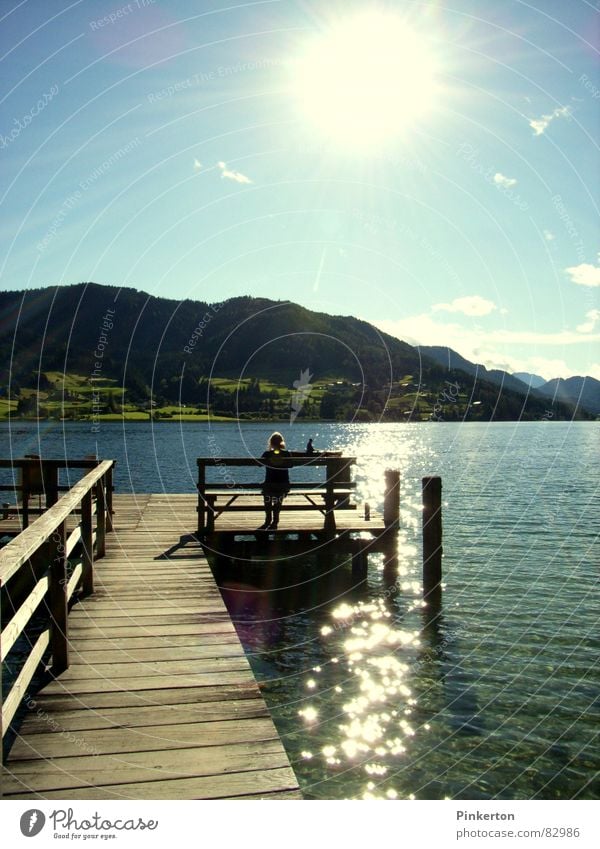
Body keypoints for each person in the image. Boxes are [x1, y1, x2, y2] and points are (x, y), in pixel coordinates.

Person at [259, 432, 291, 530]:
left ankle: (268, 519)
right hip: (283, 484)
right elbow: (291, 465)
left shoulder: (267, 454)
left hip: (269, 484)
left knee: (267, 500)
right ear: (281, 442)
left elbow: (259, 464)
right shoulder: (286, 453)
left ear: (271, 442)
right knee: (278, 501)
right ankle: (275, 521)